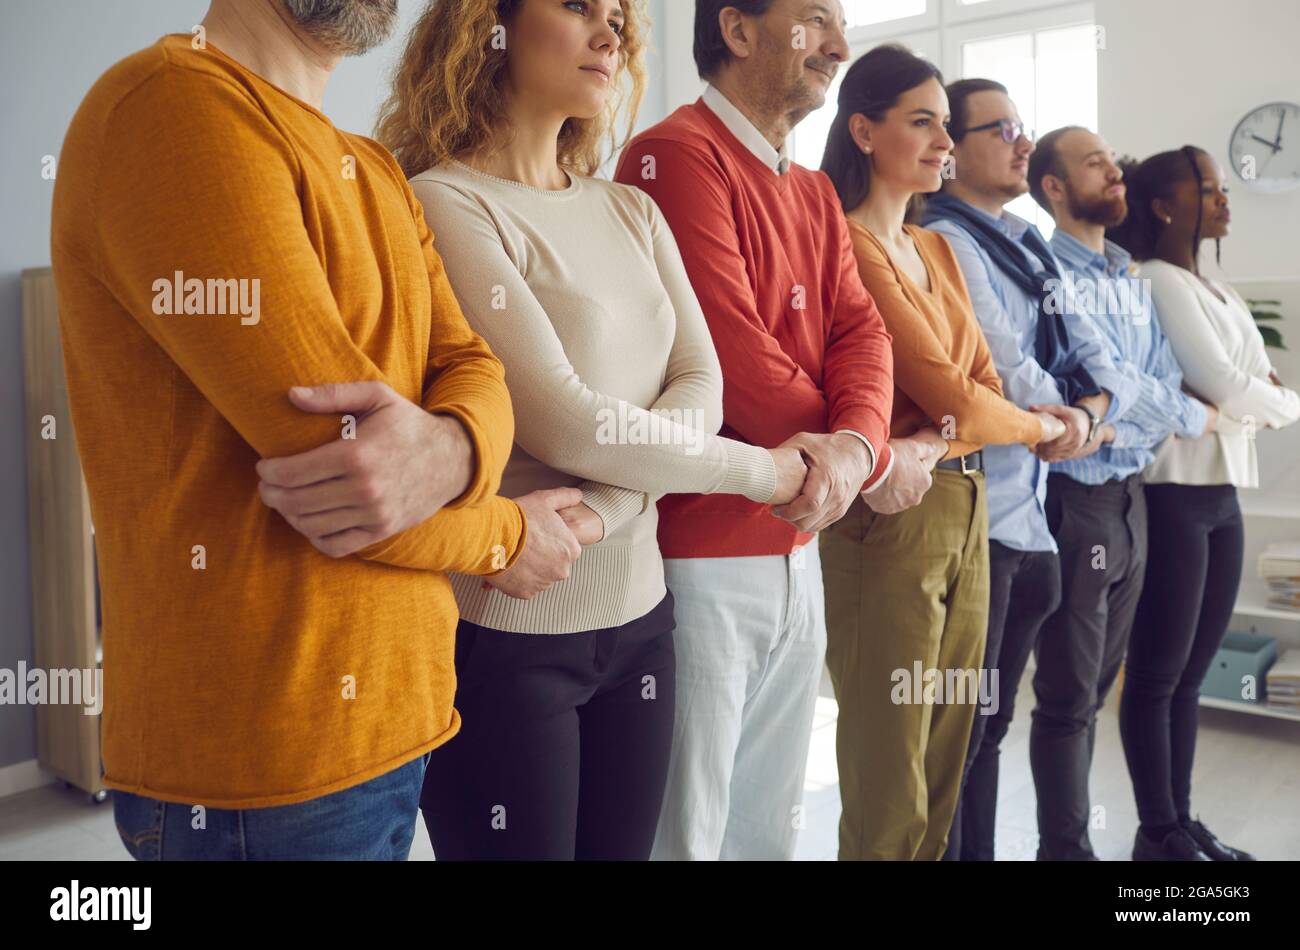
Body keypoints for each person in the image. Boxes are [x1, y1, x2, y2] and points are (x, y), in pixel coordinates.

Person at [50, 0, 587, 860]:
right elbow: (342, 466)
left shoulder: (372, 170)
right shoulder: (173, 107)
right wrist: (505, 534)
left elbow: (475, 368)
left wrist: (452, 446)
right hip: (261, 765)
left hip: (393, 722)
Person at [375, 0, 808, 861]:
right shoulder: (445, 203)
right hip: (509, 629)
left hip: (644, 613)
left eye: (618, 16)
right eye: (578, 8)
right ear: (486, 27)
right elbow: (568, 420)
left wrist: (604, 513)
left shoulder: (631, 212)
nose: (611, 34)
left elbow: (702, 384)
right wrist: (766, 475)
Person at [614, 0, 936, 860]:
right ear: (739, 30)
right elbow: (729, 356)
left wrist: (857, 448)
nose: (839, 46)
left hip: (800, 542)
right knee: (689, 831)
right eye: (816, 21)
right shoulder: (672, 156)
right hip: (701, 550)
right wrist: (860, 462)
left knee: (765, 828)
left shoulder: (814, 191)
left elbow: (862, 336)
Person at [817, 44, 1066, 861]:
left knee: (947, 752)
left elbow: (981, 385)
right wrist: (1043, 427)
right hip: (893, 519)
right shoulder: (849, 245)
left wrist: (976, 420)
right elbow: (968, 400)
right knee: (891, 775)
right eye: (921, 122)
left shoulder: (938, 250)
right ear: (862, 129)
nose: (943, 142)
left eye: (947, 127)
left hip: (967, 503)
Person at [920, 79, 1138, 861]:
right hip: (979, 520)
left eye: (1023, 126)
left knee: (993, 730)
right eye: (1002, 127)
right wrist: (1081, 416)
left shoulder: (1026, 240)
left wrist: (1082, 415)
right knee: (963, 738)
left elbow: (1102, 358)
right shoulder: (942, 238)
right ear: (951, 149)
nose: (1021, 140)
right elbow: (1004, 372)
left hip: (1035, 515)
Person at [1026, 127, 1217, 861]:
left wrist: (1139, 406)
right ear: (1053, 188)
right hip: (1077, 500)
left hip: (1130, 494)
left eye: (1112, 161)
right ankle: (1065, 851)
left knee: (1101, 688)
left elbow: (1148, 386)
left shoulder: (1127, 278)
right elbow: (1104, 385)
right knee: (1069, 697)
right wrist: (1173, 411)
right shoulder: (1051, 274)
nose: (1114, 173)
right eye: (1095, 164)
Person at [1109, 146, 1299, 861]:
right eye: (1209, 188)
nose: (1225, 200)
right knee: (1157, 674)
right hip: (1172, 495)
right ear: (1163, 205)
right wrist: (1265, 402)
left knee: (1191, 675)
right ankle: (1155, 831)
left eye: (1224, 188)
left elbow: (1251, 387)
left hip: (1222, 494)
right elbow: (1225, 384)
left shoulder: (1220, 292)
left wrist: (1263, 401)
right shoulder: (1156, 280)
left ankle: (1181, 825)